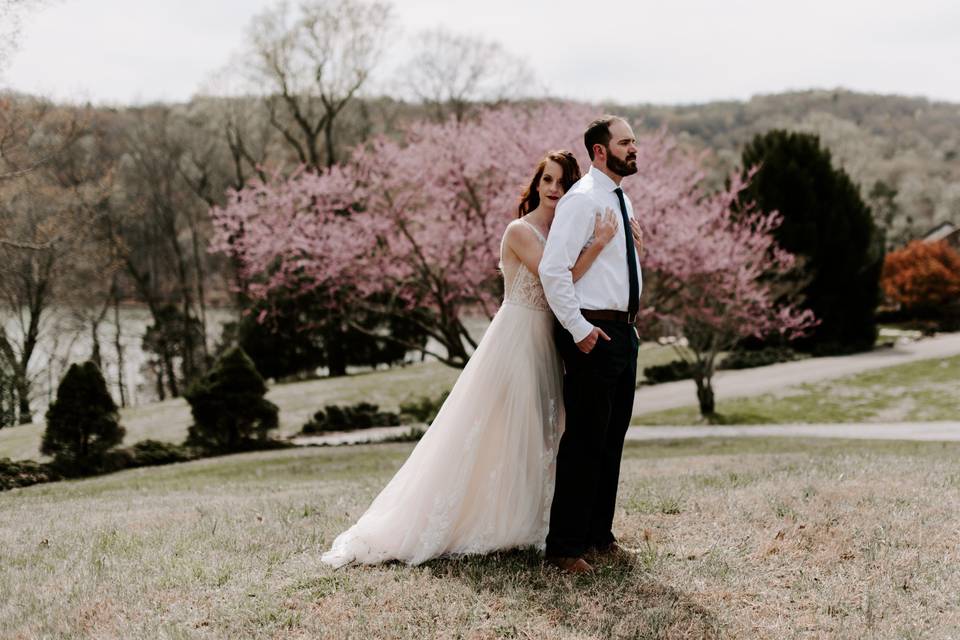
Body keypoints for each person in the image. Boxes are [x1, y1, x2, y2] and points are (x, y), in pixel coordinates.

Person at [320, 150, 621, 568]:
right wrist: (601, 243)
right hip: (517, 337)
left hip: (547, 341)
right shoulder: (520, 231)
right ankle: (465, 519)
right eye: (547, 180)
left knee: (538, 432)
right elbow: (560, 279)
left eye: (563, 183)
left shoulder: (564, 234)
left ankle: (520, 521)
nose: (554, 189)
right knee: (496, 431)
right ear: (536, 185)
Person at [539, 116, 644, 574]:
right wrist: (579, 330)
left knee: (611, 441)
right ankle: (564, 547)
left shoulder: (622, 199)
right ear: (600, 151)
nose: (634, 148)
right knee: (584, 442)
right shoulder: (581, 201)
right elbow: (552, 270)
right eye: (625, 142)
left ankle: (599, 537)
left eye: (634, 141)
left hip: (623, 332)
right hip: (592, 333)